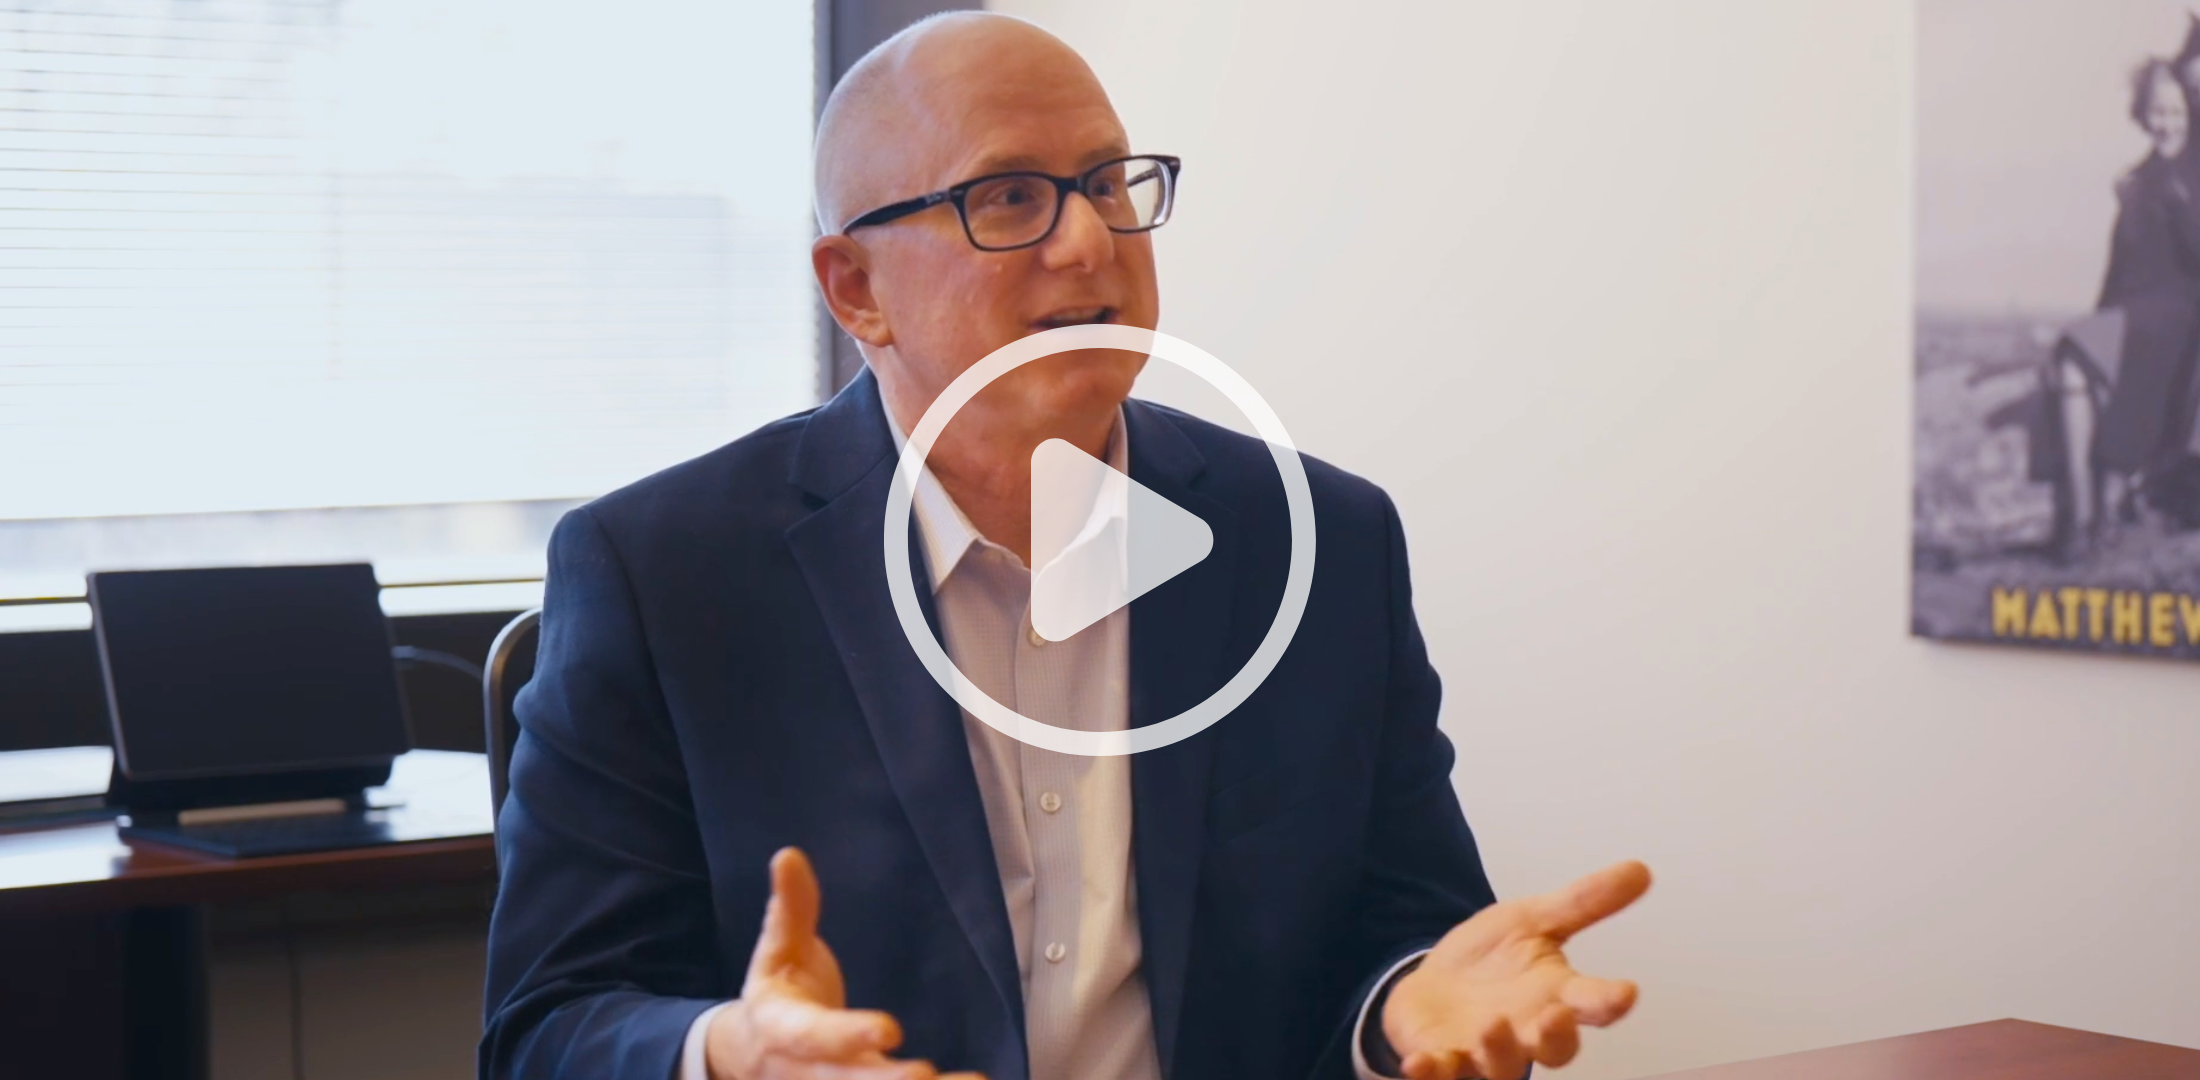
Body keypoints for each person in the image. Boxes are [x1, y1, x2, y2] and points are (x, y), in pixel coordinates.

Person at [480, 14, 1650, 1080]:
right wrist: (726, 1056)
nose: (1090, 242)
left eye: (1107, 183)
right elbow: (547, 1027)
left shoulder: (1319, 543)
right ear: (855, 289)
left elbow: (1407, 937)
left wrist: (1401, 1010)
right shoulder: (666, 573)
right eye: (1008, 197)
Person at [2091, 58, 2200, 526]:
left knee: (2149, 344)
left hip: (2179, 313)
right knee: (2073, 360)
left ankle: (2123, 489)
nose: (2168, 123)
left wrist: (2179, 208)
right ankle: (2085, 518)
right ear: (2142, 114)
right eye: (2159, 112)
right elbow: (2119, 265)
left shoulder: (2190, 175)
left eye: (2177, 112)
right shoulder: (2137, 179)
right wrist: (2098, 317)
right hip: (2139, 309)